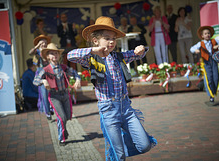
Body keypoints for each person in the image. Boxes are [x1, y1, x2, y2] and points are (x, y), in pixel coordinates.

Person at [67, 16, 157, 160]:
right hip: (108, 110)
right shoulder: (91, 58)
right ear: (96, 40)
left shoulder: (118, 56)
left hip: (126, 107)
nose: (111, 42)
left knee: (145, 145)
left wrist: (140, 50)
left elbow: (135, 54)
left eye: (113, 39)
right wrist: (93, 50)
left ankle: (121, 146)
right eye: (107, 38)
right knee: (118, 155)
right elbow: (70, 55)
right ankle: (117, 151)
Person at [33, 43, 81, 146]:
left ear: (59, 56)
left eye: (56, 53)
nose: (54, 55)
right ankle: (62, 138)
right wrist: (43, 82)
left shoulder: (64, 67)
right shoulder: (45, 70)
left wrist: (77, 80)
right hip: (54, 96)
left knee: (67, 116)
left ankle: (63, 129)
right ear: (48, 57)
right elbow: (35, 81)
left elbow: (75, 73)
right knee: (61, 117)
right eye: (51, 53)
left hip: (65, 95)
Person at [190, 26, 219, 103]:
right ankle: (211, 95)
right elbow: (192, 48)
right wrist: (195, 50)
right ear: (202, 36)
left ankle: (213, 91)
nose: (207, 35)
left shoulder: (214, 41)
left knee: (216, 78)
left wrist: (218, 45)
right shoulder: (201, 43)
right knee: (209, 78)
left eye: (208, 33)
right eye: (205, 34)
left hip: (214, 61)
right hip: (206, 62)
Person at [29, 34, 53, 120]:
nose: (44, 44)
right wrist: (37, 46)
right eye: (42, 42)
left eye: (45, 42)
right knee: (44, 93)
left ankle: (51, 108)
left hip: (49, 72)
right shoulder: (36, 51)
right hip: (40, 74)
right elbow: (30, 53)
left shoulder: (48, 50)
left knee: (52, 91)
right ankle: (48, 113)